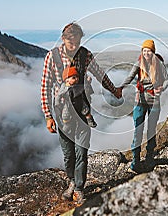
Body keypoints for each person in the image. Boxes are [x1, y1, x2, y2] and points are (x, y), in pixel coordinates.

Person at [41, 22, 122, 204]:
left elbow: (99, 74)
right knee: (68, 154)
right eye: (71, 43)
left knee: (82, 152)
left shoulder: (85, 55)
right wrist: (48, 116)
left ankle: (79, 188)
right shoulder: (52, 57)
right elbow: (45, 87)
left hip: (83, 110)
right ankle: (71, 180)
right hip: (62, 113)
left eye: (77, 42)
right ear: (63, 39)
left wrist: (114, 90)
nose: (74, 46)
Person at [119, 39, 168, 172]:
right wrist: (120, 88)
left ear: (153, 52)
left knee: (151, 131)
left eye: (149, 51)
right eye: (144, 50)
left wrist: (161, 89)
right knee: (138, 131)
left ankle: (149, 158)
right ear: (142, 51)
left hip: (154, 101)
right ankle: (135, 161)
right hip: (140, 101)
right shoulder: (139, 63)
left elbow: (166, 80)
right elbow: (130, 77)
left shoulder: (159, 64)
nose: (146, 53)